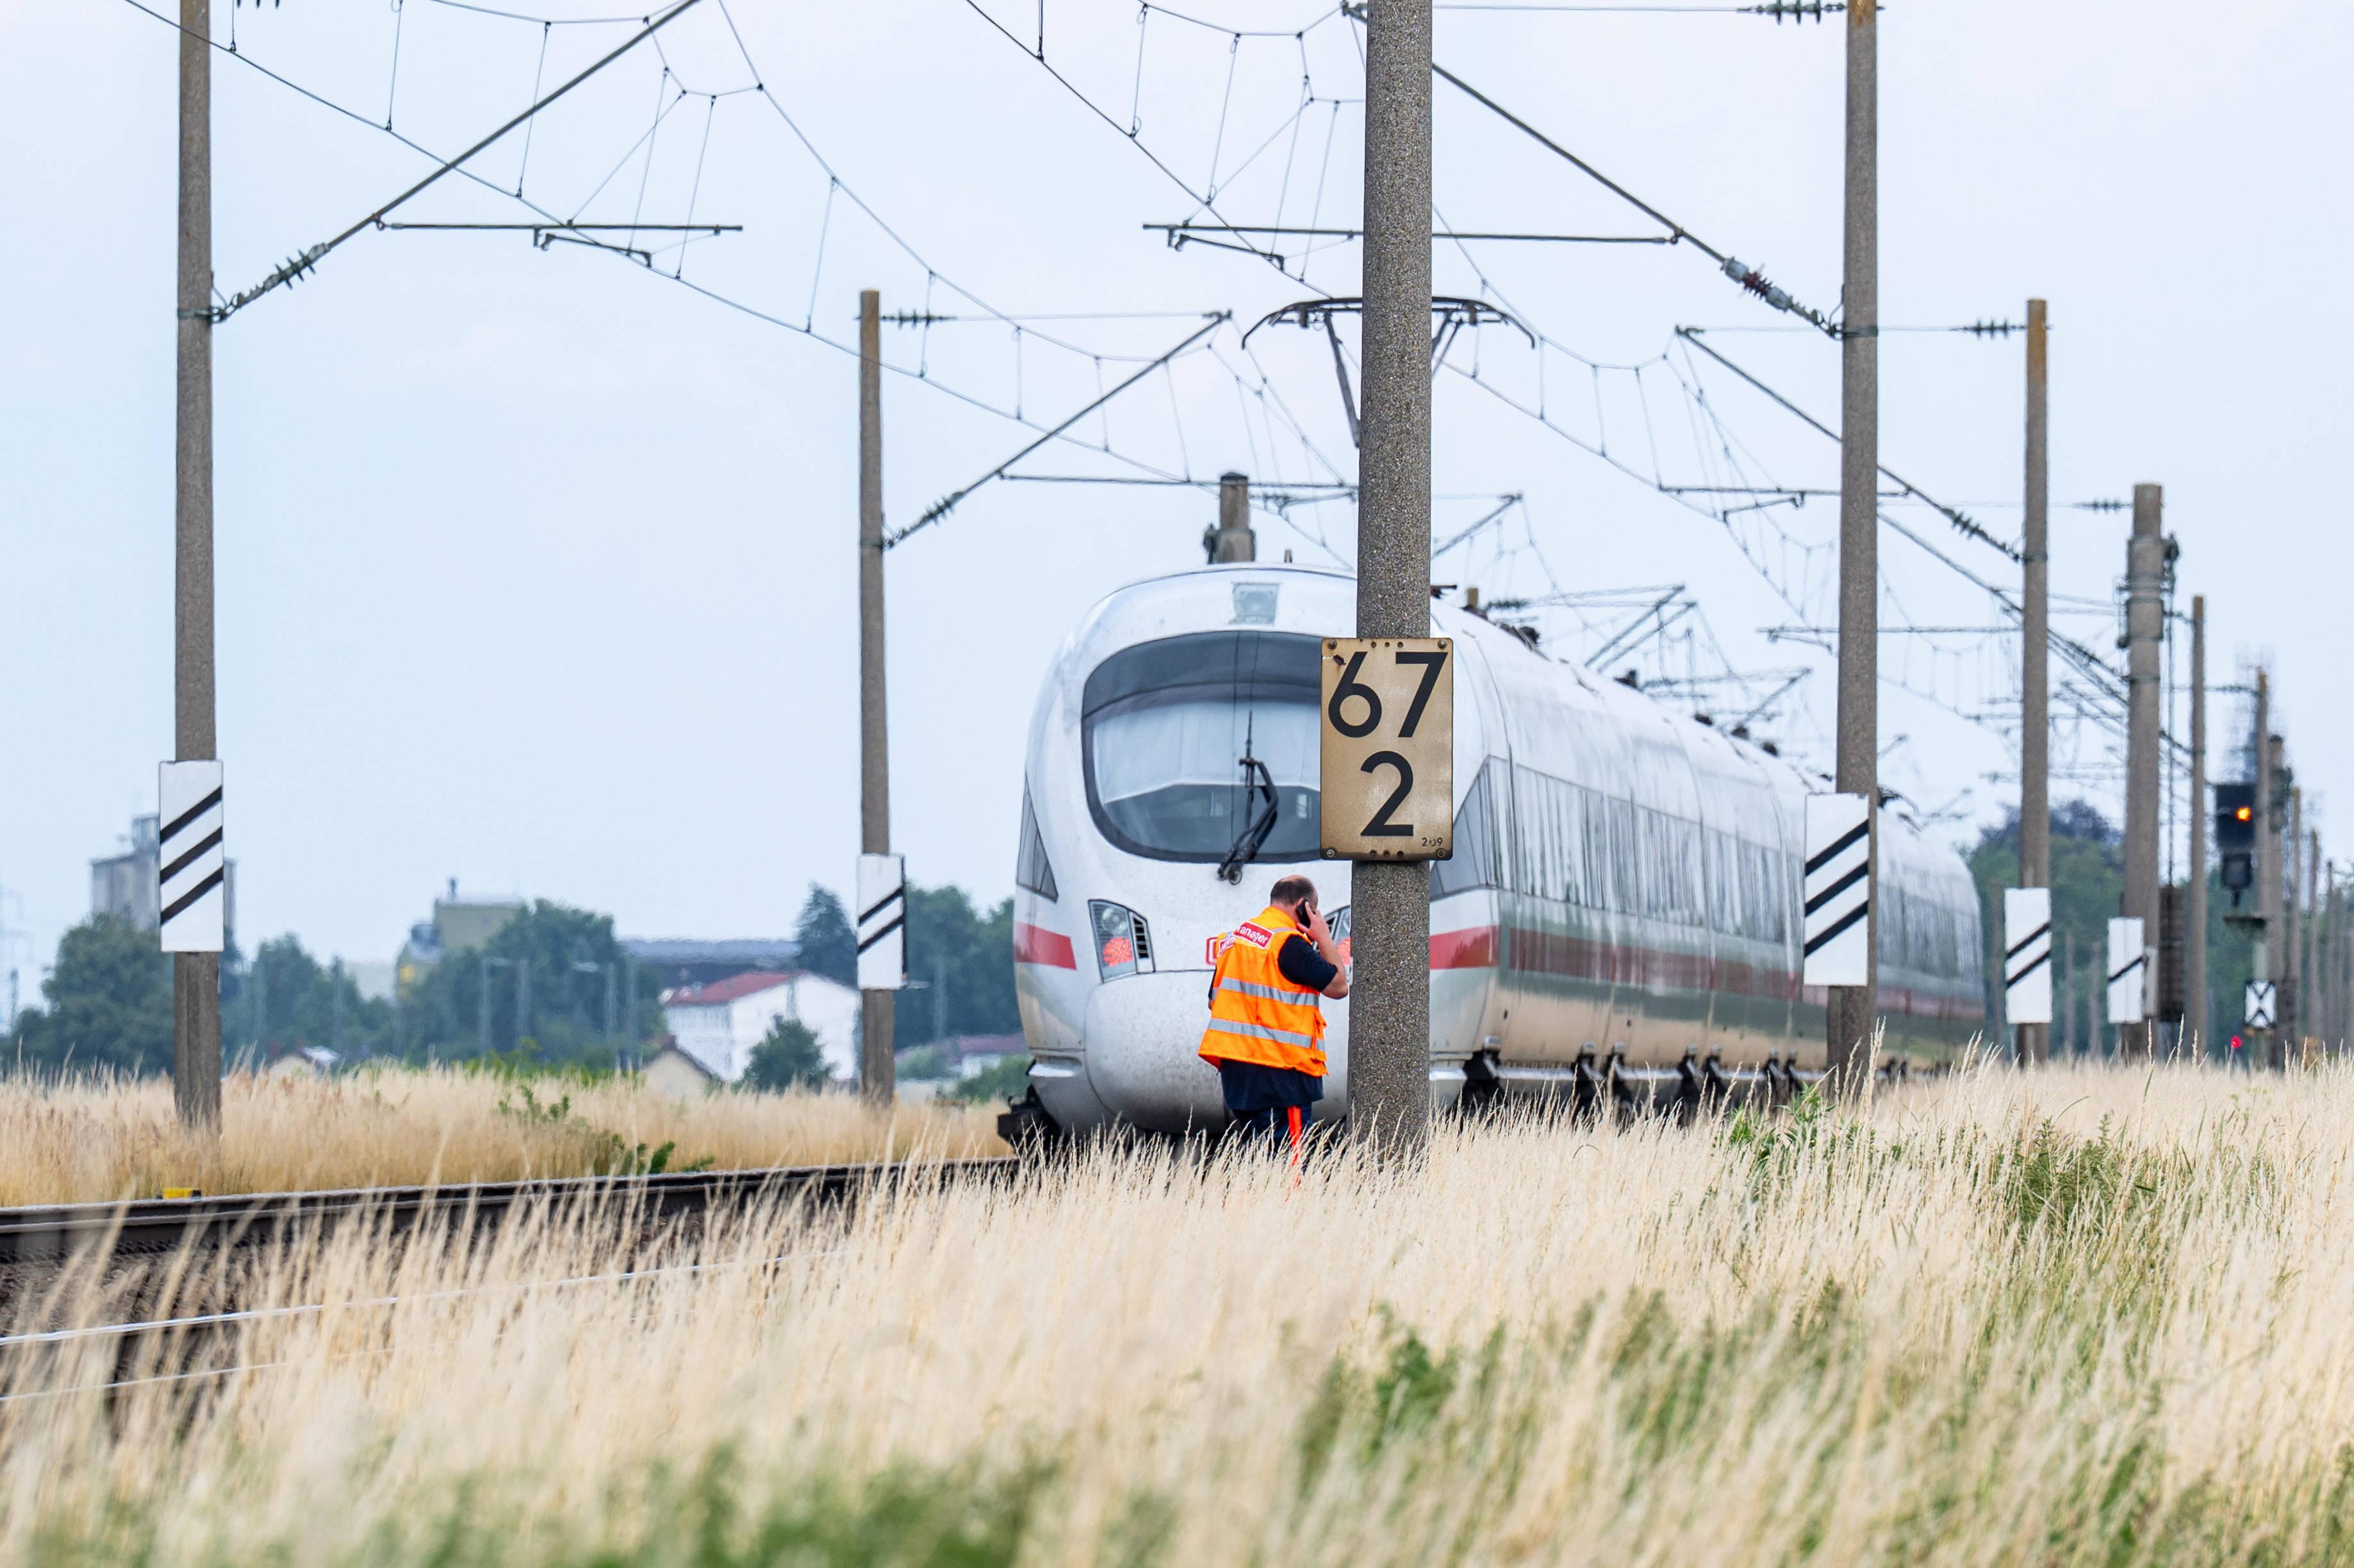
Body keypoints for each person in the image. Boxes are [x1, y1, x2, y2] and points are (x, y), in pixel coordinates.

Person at [1199, 874, 1349, 1150]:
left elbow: (1214, 1001)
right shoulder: (1288, 943)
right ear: (1303, 907)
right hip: (1282, 1074)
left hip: (1238, 1074)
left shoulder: (1233, 941)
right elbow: (1339, 986)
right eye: (1312, 912)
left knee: (1254, 1159)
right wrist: (1323, 937)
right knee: (1287, 1166)